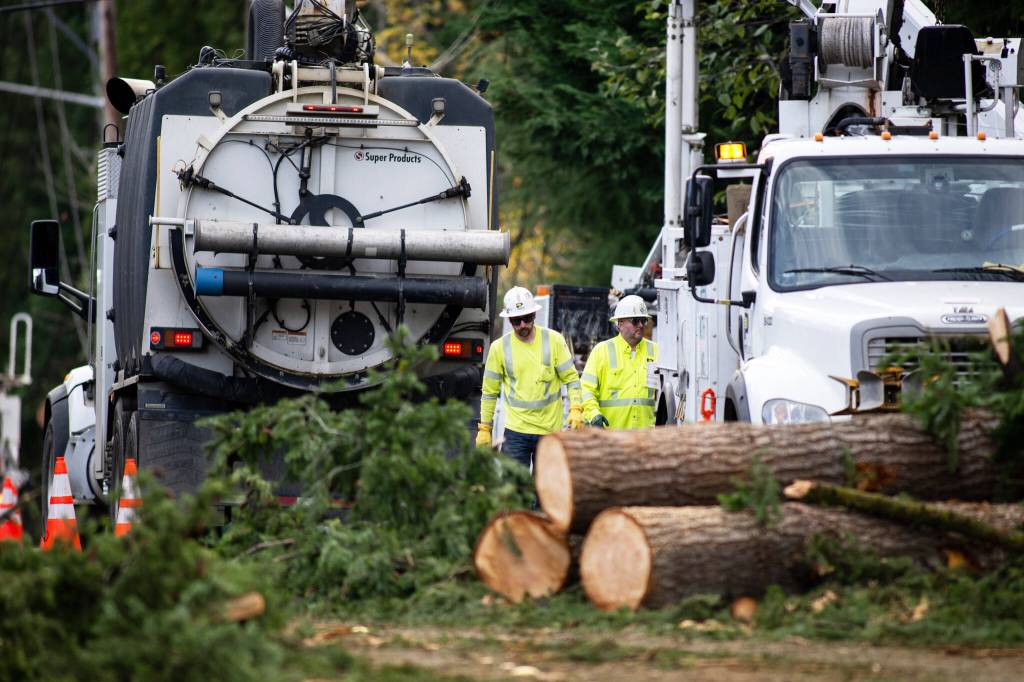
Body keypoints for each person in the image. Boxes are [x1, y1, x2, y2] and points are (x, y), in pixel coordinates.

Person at [476, 287, 584, 469]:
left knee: (546, 493)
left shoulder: (554, 340)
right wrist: (485, 428)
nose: (523, 325)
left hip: (550, 432)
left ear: (534, 315)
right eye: (517, 321)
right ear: (509, 319)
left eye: (527, 318)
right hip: (516, 432)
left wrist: (576, 408)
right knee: (513, 492)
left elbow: (572, 380)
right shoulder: (499, 348)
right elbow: (489, 393)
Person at [581, 294, 658, 429]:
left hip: (646, 437)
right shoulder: (601, 351)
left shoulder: (656, 351)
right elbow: (586, 389)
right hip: (611, 438)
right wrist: (593, 415)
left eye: (643, 321)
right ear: (620, 323)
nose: (640, 325)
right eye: (635, 321)